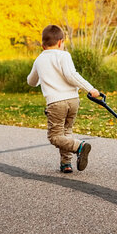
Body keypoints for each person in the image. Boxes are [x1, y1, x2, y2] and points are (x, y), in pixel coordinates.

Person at [27, 24, 100, 173]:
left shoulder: (39, 60)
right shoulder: (64, 55)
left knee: (54, 136)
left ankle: (79, 146)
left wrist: (43, 75)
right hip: (73, 101)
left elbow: (31, 82)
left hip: (56, 103)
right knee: (66, 131)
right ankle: (66, 163)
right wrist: (90, 89)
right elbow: (72, 75)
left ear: (42, 45)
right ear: (61, 42)